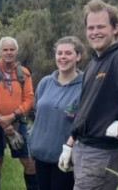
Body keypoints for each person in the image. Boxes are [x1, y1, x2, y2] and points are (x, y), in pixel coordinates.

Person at [58, 0, 118, 190]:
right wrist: (70, 144)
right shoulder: (96, 61)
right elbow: (86, 109)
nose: (95, 33)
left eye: (101, 27)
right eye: (90, 28)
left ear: (116, 28)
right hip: (86, 149)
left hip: (102, 153)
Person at [28, 36, 84, 190]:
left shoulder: (85, 85)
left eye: (68, 53)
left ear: (78, 56)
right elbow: (37, 113)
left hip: (66, 157)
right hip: (40, 155)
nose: (63, 57)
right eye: (59, 53)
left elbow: (85, 122)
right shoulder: (46, 82)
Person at [0, 36, 37, 190]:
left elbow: (29, 98)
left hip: (18, 122)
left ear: (17, 51)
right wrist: (0, 118)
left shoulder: (24, 73)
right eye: (5, 49)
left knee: (28, 161)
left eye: (12, 49)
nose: (9, 53)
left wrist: (12, 116)